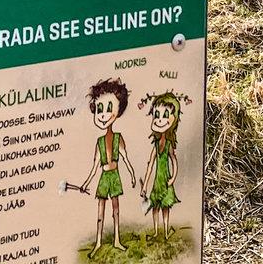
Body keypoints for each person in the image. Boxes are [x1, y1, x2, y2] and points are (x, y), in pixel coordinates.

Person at [79, 79, 137, 251]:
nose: (103, 115)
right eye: (99, 109)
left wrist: (133, 175)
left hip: (115, 175)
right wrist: (85, 184)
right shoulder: (99, 141)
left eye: (109, 108)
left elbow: (125, 159)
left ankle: (117, 240)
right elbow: (95, 165)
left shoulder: (119, 138)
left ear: (119, 111)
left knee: (116, 210)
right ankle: (98, 242)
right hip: (104, 176)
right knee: (100, 210)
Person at [138, 91, 188, 233]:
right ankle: (155, 231)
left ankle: (165, 231)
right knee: (155, 206)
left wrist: (173, 178)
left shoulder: (168, 145)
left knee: (166, 206)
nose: (160, 120)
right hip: (157, 181)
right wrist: (145, 186)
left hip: (165, 180)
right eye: (157, 115)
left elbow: (174, 161)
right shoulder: (155, 145)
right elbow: (150, 165)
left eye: (165, 115)